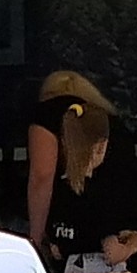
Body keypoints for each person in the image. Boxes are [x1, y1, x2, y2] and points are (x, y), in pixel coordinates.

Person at [38, 99, 137, 273]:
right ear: (101, 146)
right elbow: (112, 250)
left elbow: (56, 248)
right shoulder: (107, 191)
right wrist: (132, 245)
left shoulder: (58, 190)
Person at [22, 69, 110, 244]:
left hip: (68, 227)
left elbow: (42, 175)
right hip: (115, 225)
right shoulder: (106, 118)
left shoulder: (47, 116)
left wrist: (35, 237)